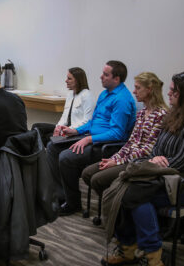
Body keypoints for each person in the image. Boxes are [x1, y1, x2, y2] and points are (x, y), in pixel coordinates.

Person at [101, 71, 184, 266]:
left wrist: (157, 163)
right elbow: (156, 150)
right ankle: (133, 249)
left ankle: (152, 259)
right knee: (127, 190)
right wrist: (155, 160)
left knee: (133, 195)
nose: (169, 93)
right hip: (168, 178)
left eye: (174, 90)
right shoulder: (173, 117)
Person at [51, 60, 136, 215]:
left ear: (116, 79)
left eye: (105, 74)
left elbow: (117, 133)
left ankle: (73, 203)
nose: (101, 77)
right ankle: (61, 195)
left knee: (65, 157)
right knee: (52, 147)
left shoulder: (122, 99)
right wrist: (75, 131)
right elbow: (92, 122)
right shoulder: (105, 94)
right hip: (92, 137)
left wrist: (88, 139)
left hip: (108, 145)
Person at [80, 72, 168, 196]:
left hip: (141, 162)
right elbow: (130, 142)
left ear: (149, 90)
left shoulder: (161, 115)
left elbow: (148, 150)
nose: (134, 91)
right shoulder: (142, 113)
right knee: (87, 173)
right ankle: (113, 204)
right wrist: (114, 158)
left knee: (97, 179)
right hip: (128, 157)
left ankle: (115, 208)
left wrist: (118, 162)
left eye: (138, 88)